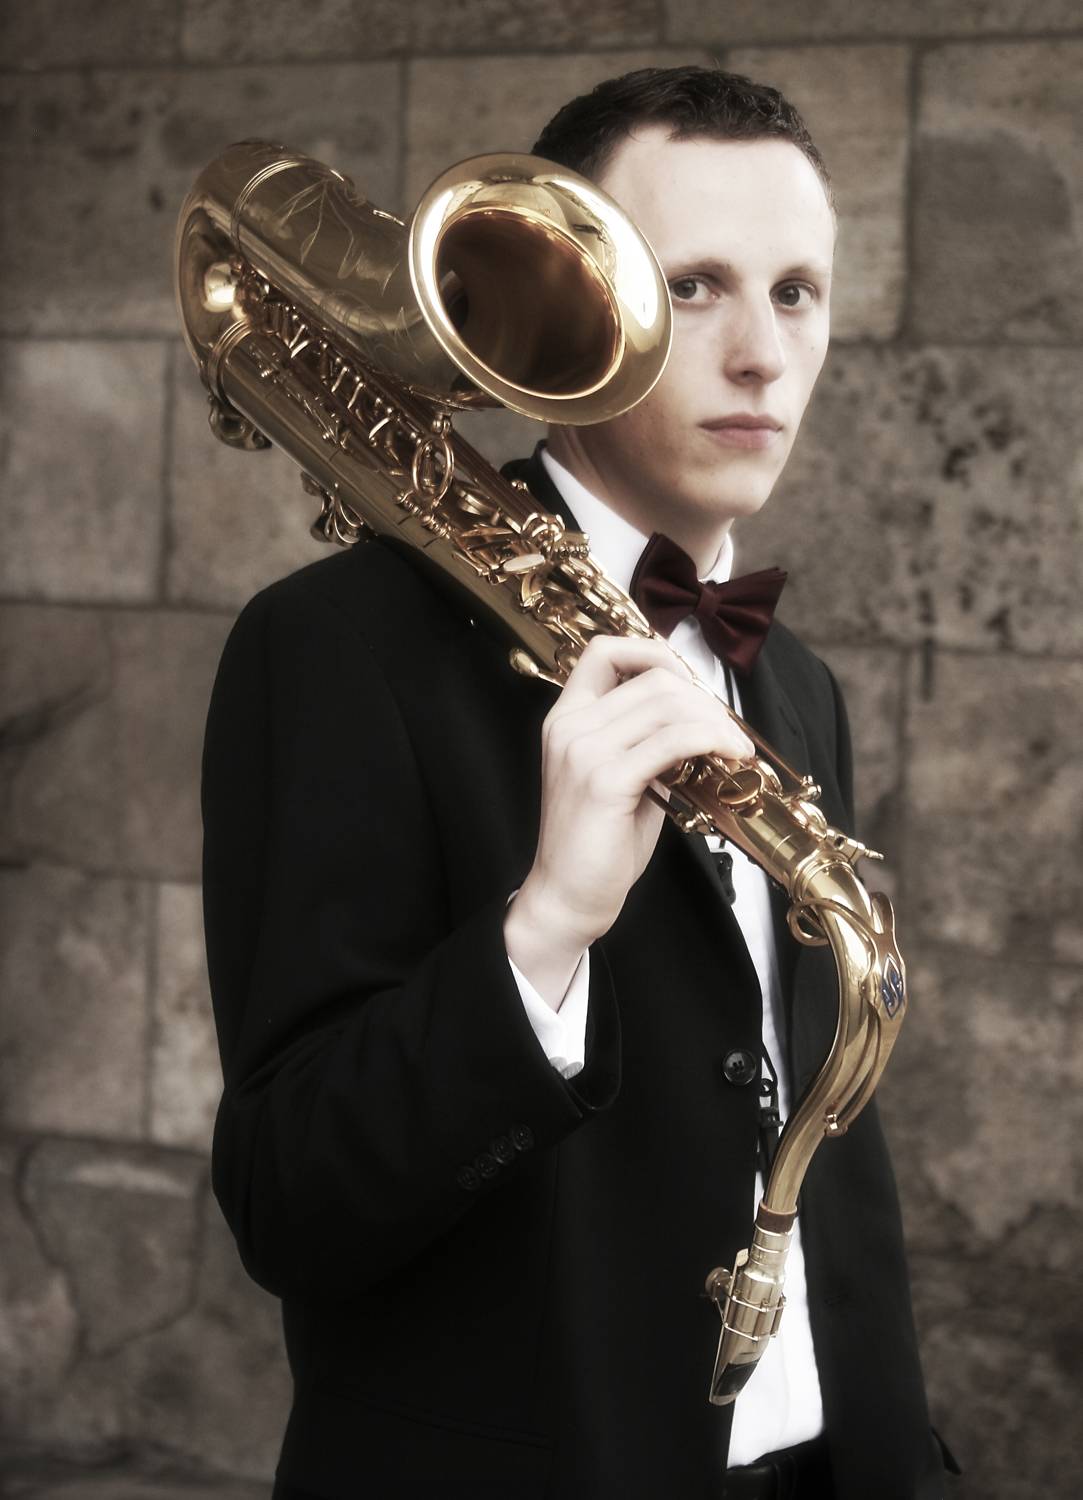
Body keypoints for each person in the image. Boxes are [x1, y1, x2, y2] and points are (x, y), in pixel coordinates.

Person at [202, 67, 956, 1500]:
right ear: (566, 307)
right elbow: (289, 1200)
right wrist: (543, 928)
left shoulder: (799, 685)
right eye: (694, 287)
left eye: (797, 292)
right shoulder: (333, 649)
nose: (762, 356)